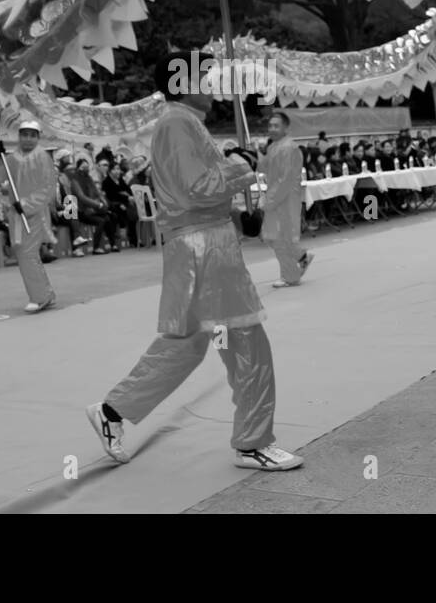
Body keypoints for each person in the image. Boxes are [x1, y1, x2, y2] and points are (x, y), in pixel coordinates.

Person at [87, 51, 303, 471]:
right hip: (206, 251)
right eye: (205, 78)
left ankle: (112, 411)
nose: (212, 86)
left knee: (186, 343)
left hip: (197, 244)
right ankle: (252, 441)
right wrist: (241, 166)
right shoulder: (178, 122)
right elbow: (199, 188)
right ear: (183, 83)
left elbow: (191, 193)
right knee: (246, 342)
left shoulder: (182, 123)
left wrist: (238, 212)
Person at [0, 120, 59, 313]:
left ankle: (40, 297)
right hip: (16, 215)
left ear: (38, 137)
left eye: (32, 135)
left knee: (27, 254)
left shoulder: (43, 157)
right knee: (26, 255)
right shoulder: (12, 158)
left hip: (35, 213)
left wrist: (27, 204)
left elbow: (48, 188)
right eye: (24, 134)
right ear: (19, 136)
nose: (28, 139)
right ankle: (45, 293)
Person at [260, 111, 313, 288]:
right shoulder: (273, 147)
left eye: (276, 126)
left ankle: (290, 274)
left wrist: (270, 201)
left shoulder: (290, 148)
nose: (272, 129)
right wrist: (257, 155)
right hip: (276, 197)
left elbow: (286, 179)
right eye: (270, 126)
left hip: (286, 198)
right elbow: (266, 169)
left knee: (280, 238)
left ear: (285, 127)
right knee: (275, 237)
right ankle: (301, 258)